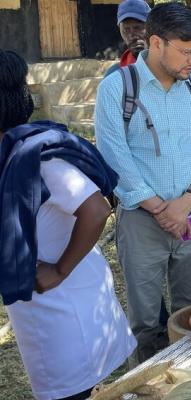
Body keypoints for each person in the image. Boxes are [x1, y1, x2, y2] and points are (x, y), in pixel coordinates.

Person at [0, 49, 135, 400]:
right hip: (41, 300)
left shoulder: (36, 158)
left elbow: (95, 210)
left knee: (73, 391)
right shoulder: (10, 153)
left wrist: (59, 270)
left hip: (66, 300)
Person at [95, 3, 191, 365]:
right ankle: (147, 379)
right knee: (145, 318)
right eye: (186, 51)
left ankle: (190, 372)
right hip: (141, 221)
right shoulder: (117, 89)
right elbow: (114, 155)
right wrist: (157, 207)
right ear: (156, 43)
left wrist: (187, 199)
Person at [104, 0, 152, 77]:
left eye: (137, 28)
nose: (132, 35)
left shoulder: (169, 68)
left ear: (151, 28)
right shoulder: (114, 75)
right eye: (126, 30)